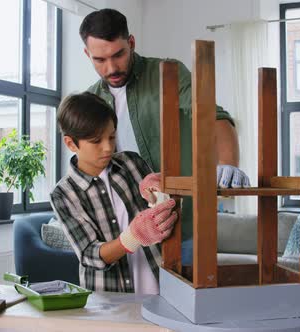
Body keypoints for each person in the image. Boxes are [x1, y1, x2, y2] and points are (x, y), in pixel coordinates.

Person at [79, 8, 250, 263]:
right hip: (129, 232)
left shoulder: (168, 74)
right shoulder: (90, 100)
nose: (111, 67)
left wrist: (227, 163)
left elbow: (214, 116)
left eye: (118, 55)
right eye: (99, 60)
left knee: (187, 302)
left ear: (132, 43)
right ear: (87, 54)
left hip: (182, 227)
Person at [50, 92, 178, 294]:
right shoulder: (63, 194)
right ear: (71, 143)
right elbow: (89, 254)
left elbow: (165, 215)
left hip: (160, 285)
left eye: (111, 136)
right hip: (109, 298)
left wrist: (162, 191)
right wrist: (133, 236)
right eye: (96, 141)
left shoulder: (132, 163)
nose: (108, 147)